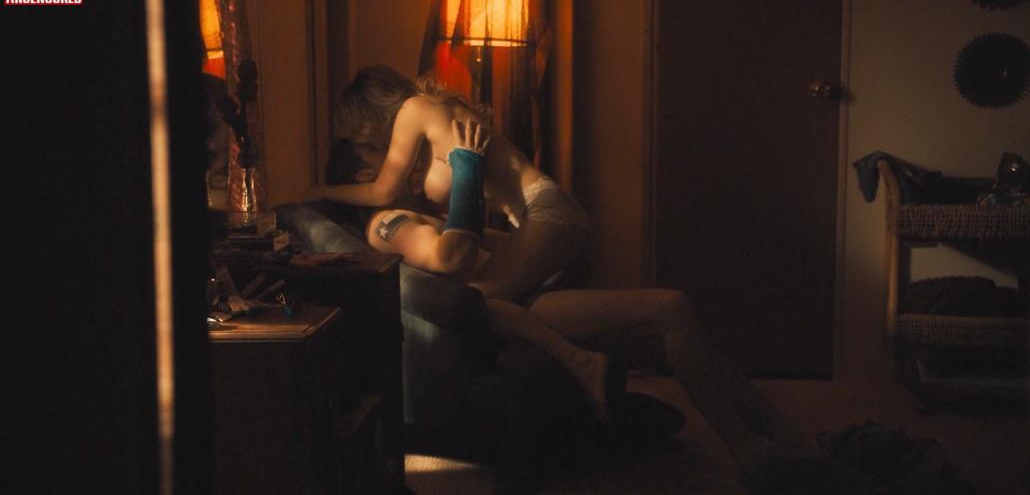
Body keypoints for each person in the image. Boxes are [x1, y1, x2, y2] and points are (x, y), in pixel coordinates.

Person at [327, 126, 820, 475]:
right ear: (363, 173)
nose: (404, 160)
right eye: (382, 156)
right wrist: (468, 166)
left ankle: (776, 435)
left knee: (672, 322)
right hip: (514, 308)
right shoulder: (386, 223)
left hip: (528, 294)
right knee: (670, 308)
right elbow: (451, 256)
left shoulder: (416, 211)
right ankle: (754, 448)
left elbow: (486, 248)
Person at [319, 65, 590, 303]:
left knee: (473, 301)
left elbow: (382, 192)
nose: (365, 146)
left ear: (368, 117)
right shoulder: (428, 121)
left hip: (545, 210)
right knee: (511, 305)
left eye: (360, 139)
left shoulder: (413, 110)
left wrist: (320, 191)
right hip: (535, 216)